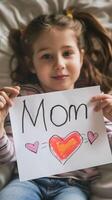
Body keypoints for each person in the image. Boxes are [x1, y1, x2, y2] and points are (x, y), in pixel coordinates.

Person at [0, 7, 112, 200]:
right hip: (26, 181)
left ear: (81, 57)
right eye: (47, 56)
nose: (59, 64)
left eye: (67, 53)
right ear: (31, 64)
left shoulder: (95, 103)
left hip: (73, 186)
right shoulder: (22, 99)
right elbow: (8, 157)